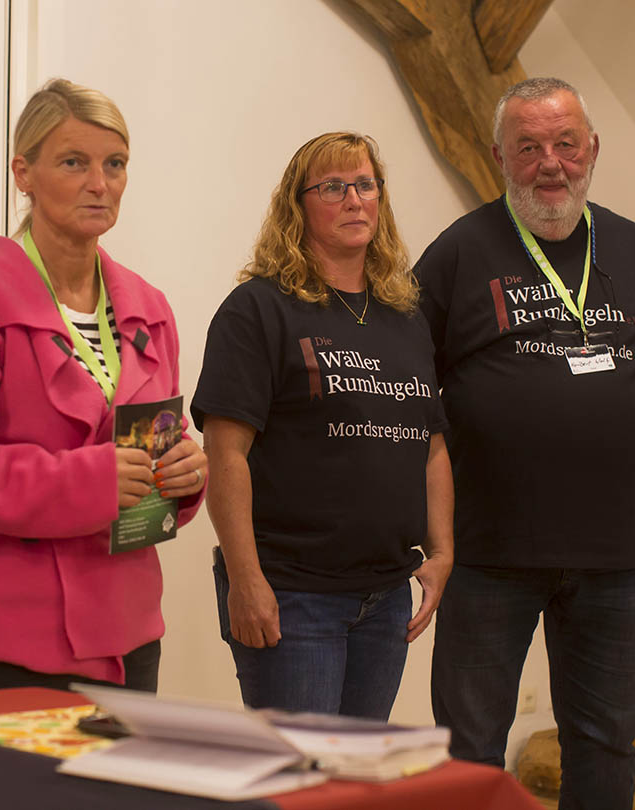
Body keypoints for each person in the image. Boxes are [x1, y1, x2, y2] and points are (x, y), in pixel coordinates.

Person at [417, 77, 635, 810]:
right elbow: (408, 392)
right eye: (529, 147)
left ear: (592, 149)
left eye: (566, 144)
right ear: (498, 154)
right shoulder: (456, 253)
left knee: (605, 744)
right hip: (488, 559)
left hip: (613, 561)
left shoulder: (632, 246)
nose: (551, 163)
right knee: (469, 749)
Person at [0, 78, 207, 694]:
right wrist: (85, 482)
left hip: (129, 632)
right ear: (23, 173)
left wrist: (186, 475)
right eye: (73, 162)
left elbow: (162, 439)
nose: (100, 183)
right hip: (2, 640)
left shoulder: (150, 307)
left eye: (115, 165)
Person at [191, 132, 453, 718]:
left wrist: (442, 551)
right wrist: (245, 580)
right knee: (300, 787)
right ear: (298, 206)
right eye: (333, 187)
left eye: (366, 185)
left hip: (385, 597)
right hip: (293, 595)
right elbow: (226, 453)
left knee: (353, 784)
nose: (355, 199)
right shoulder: (258, 309)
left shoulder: (404, 317)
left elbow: (432, 446)